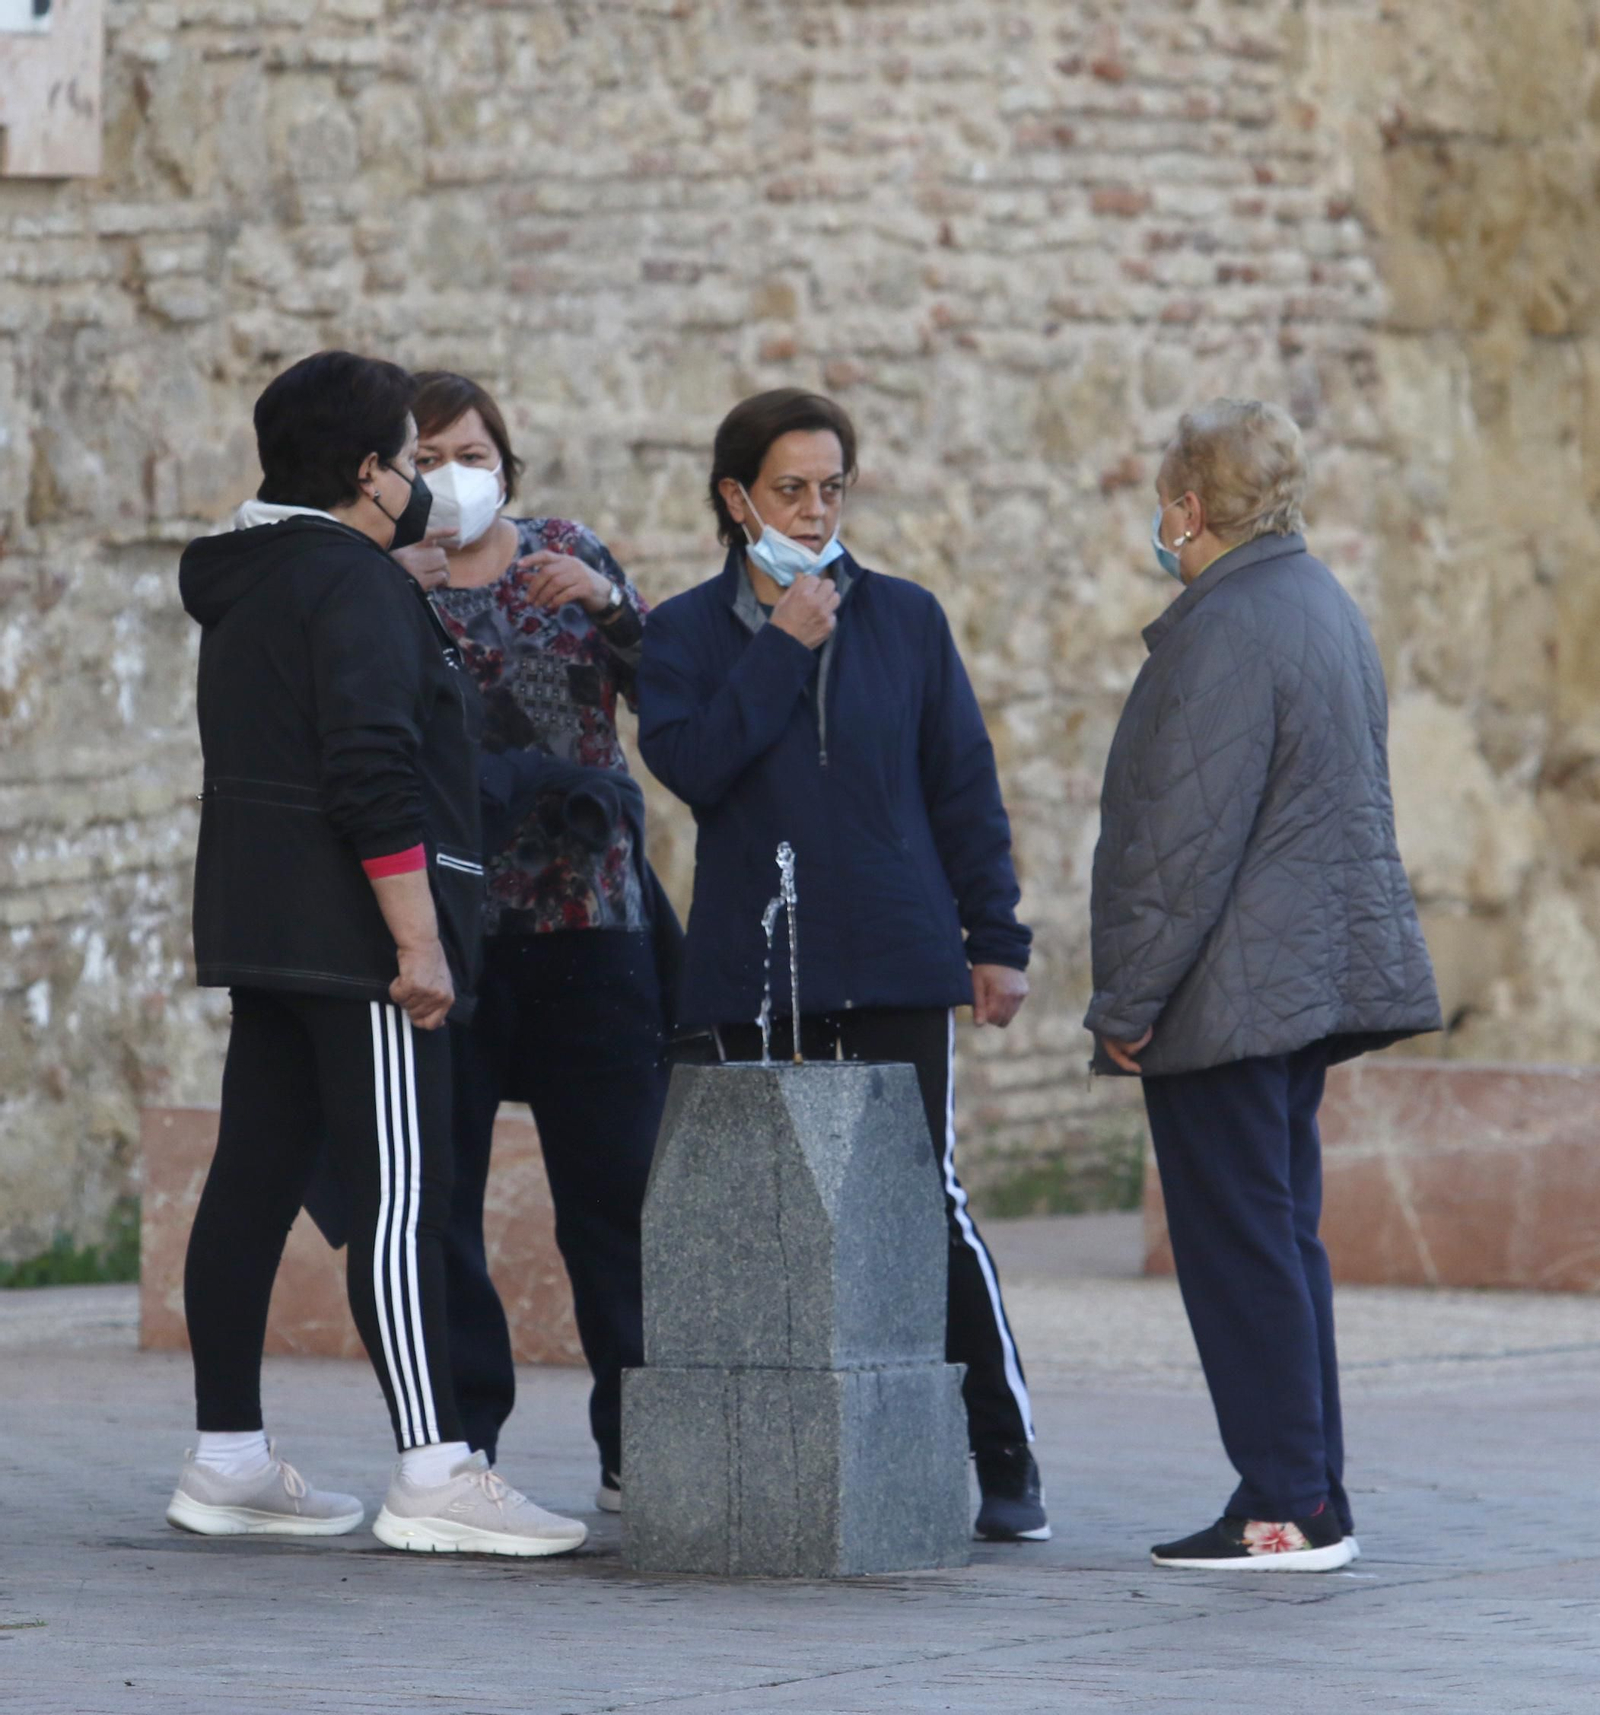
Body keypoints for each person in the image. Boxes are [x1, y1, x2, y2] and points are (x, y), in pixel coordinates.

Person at [170, 350, 586, 1558]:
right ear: (367, 473)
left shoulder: (260, 574)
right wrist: (418, 940)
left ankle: (227, 1458)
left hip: (267, 928)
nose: (426, 481)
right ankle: (435, 1468)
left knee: (250, 1182)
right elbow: (368, 770)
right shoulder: (350, 584)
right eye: (411, 459)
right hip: (360, 942)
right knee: (404, 1199)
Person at [636, 388, 1048, 1543]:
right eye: (790, 490)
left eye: (832, 487)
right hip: (752, 967)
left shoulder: (906, 617)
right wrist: (780, 647)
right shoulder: (682, 633)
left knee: (925, 1204)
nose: (816, 511)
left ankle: (1002, 1451)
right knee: (759, 1209)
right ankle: (774, 1468)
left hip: (896, 956)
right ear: (736, 498)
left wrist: (995, 938)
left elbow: (962, 783)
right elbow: (694, 766)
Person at [1087, 398, 1441, 1572]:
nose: (1158, 520)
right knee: (1280, 1239)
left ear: (1190, 507)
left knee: (1242, 1249)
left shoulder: (1225, 626)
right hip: (1291, 987)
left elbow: (1178, 841)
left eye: (1163, 500)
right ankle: (1304, 1491)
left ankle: (1285, 1504)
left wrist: (1127, 1001)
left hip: (1224, 997)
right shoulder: (1318, 601)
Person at [389, 372, 673, 1514]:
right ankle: (462, 1446)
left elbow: (671, 696)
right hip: (450, 936)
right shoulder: (386, 580)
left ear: (507, 463)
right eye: (429, 457)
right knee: (444, 1199)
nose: (456, 474)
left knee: (614, 1197)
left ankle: (639, 1446)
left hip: (589, 926)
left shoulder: (567, 552)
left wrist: (610, 604)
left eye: (475, 453)